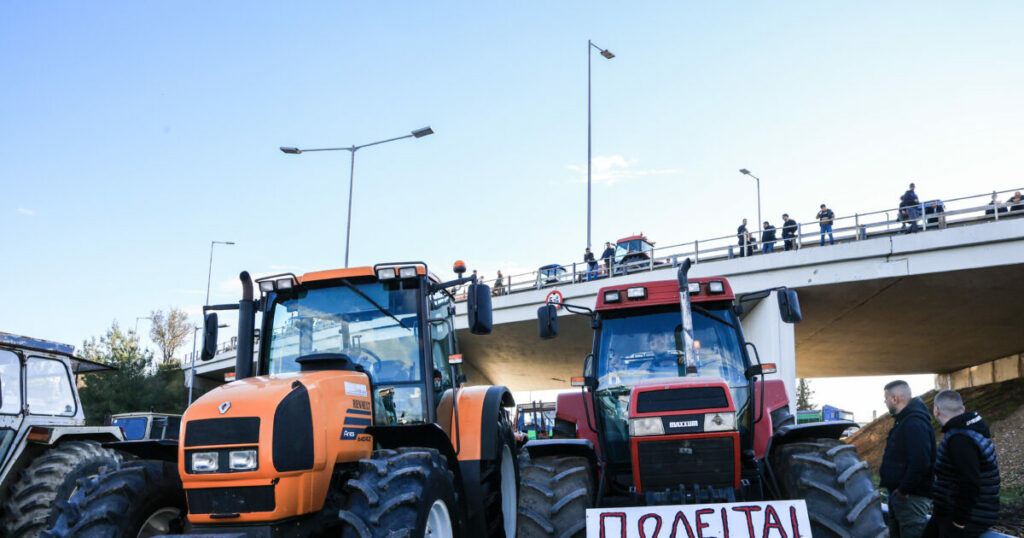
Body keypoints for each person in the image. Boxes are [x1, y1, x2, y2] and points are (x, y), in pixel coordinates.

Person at [924, 390, 1000, 538]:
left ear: (937, 411)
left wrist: (959, 521)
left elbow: (970, 482)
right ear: (963, 409)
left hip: (966, 517)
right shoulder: (969, 432)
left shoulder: (960, 439)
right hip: (957, 512)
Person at [881, 380, 935, 538]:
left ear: (895, 399)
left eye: (886, 398)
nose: (885, 402)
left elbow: (920, 462)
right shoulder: (904, 421)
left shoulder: (914, 423)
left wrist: (904, 489)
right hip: (901, 496)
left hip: (911, 498)